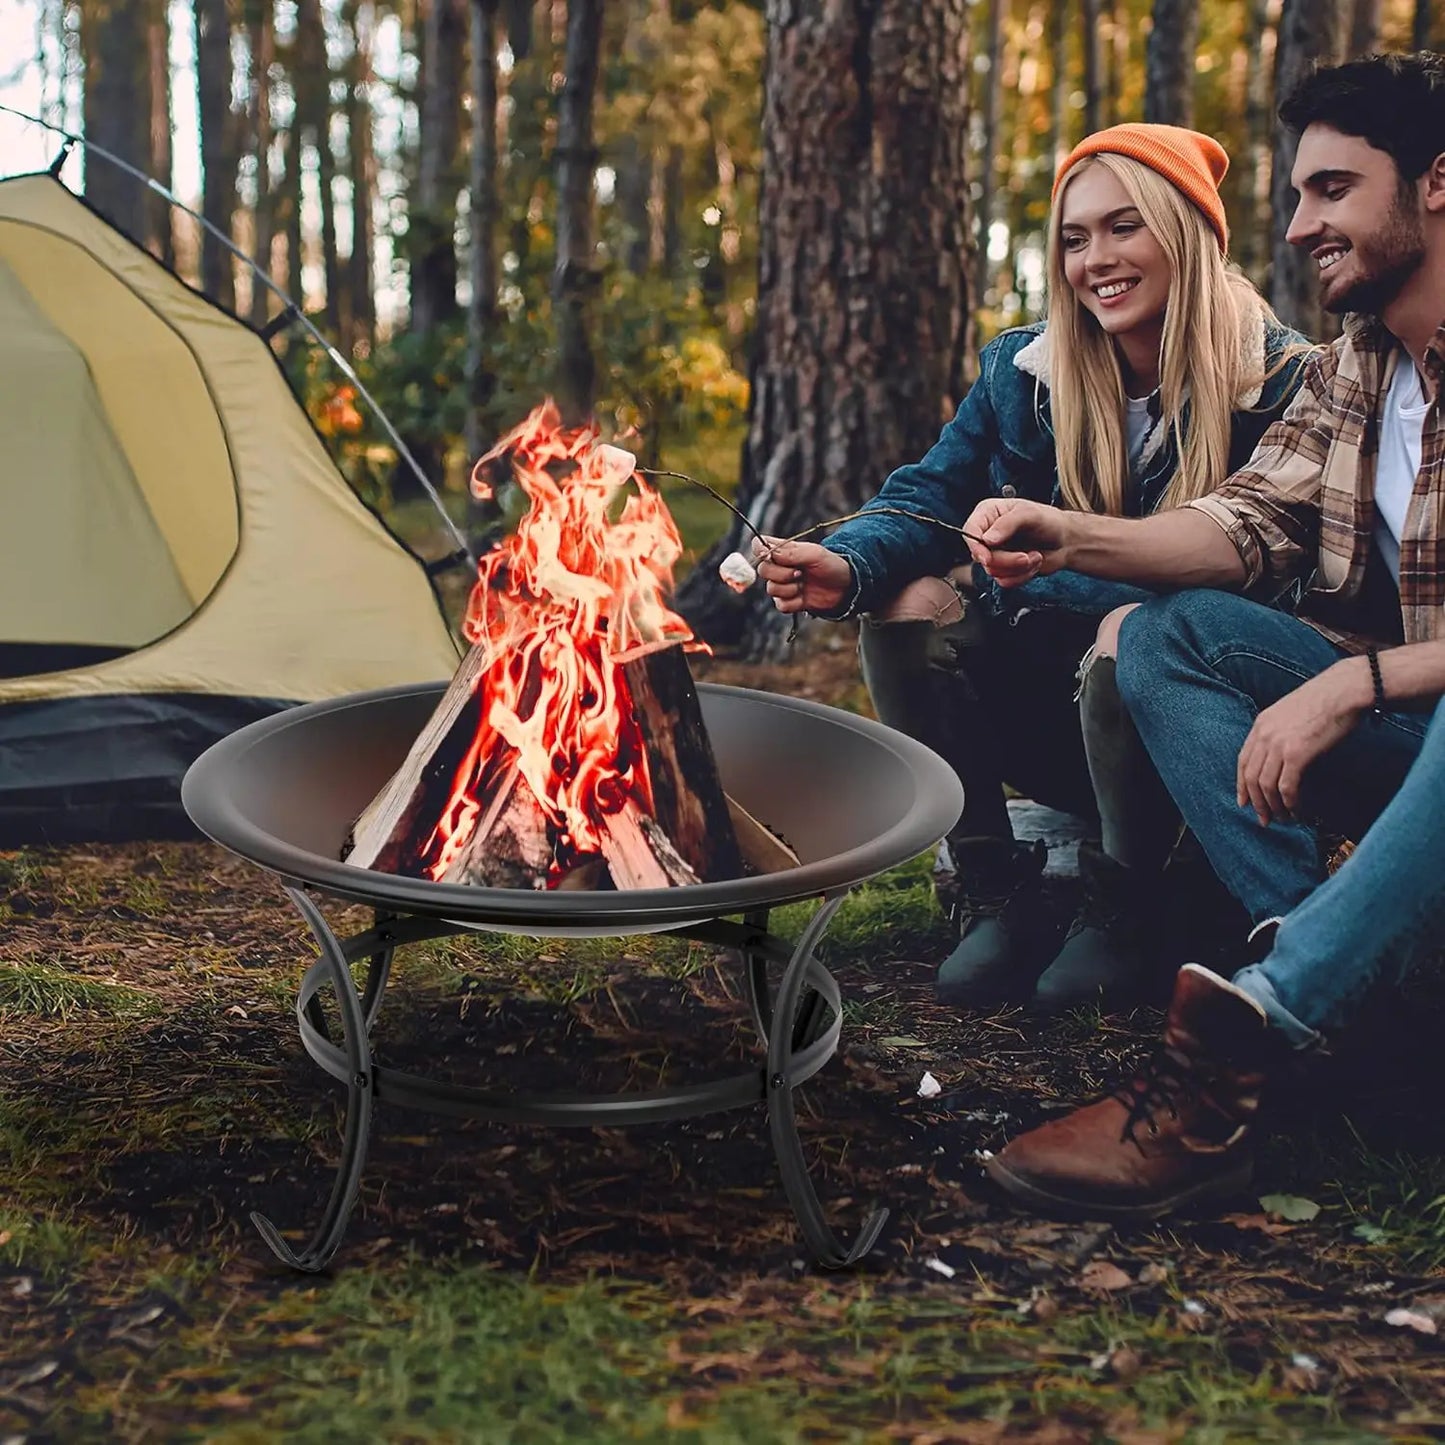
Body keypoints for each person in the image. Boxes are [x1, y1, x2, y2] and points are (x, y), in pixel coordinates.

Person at [963, 51, 1445, 1219]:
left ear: (1434, 184)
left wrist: (1351, 683)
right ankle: (1327, 977)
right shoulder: (1355, 369)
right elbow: (1237, 527)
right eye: (1295, 197)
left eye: (1329, 189)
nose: (1297, 226)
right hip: (1408, 749)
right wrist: (1067, 536)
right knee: (1167, 634)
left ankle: (1247, 1039)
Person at [755, 124, 1312, 1014]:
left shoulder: (1283, 383)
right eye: (1075, 237)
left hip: (1193, 743)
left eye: (1124, 227)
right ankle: (993, 883)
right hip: (1048, 720)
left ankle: (1125, 905)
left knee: (1131, 630)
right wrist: (844, 562)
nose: (1096, 260)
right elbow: (925, 496)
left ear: (1191, 233)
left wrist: (1051, 568)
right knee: (906, 600)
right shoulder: (1024, 370)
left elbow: (1255, 580)